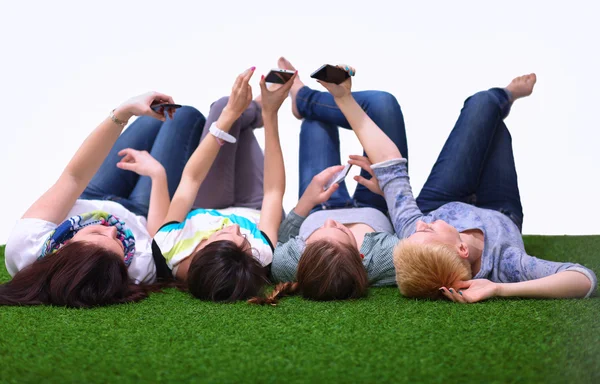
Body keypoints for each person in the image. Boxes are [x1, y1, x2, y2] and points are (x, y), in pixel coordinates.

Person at [374, 73, 597, 302]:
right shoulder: (505, 264)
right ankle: (502, 102)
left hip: (442, 201)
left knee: (482, 102)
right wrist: (500, 289)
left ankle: (505, 95)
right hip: (499, 208)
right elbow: (584, 278)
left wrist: (344, 99)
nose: (420, 223)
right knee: (495, 127)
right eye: (427, 230)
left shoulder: (415, 232)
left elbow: (392, 174)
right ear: (462, 250)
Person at [2, 93, 206, 307]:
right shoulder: (138, 269)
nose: (112, 229)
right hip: (141, 211)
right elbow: (159, 236)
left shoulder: (25, 245)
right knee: (184, 116)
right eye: (119, 242)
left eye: (97, 232)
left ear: (65, 245)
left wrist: (123, 112)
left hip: (92, 194)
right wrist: (157, 175)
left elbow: (74, 177)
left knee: (150, 117)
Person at [251, 58, 409, 305]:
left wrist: (305, 202)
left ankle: (303, 100)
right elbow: (411, 228)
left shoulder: (288, 264)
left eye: (319, 234)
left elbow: (281, 239)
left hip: (318, 203)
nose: (331, 222)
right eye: (338, 230)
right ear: (360, 255)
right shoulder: (386, 259)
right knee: (384, 104)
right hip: (375, 200)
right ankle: (303, 97)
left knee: (317, 122)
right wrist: (387, 191)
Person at [151, 67, 293, 302]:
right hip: (257, 204)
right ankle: (258, 108)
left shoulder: (167, 247)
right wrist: (271, 114)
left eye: (226, 234)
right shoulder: (261, 256)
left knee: (223, 107)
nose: (236, 227)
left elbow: (191, 180)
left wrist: (228, 114)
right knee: (233, 115)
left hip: (208, 202)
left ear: (201, 252)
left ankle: (249, 109)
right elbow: (273, 193)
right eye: (245, 241)